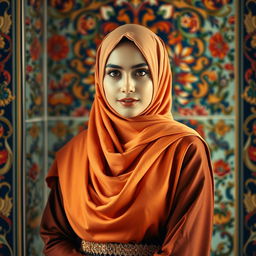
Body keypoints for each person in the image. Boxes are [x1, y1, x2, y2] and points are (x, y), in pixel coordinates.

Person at [40, 24, 214, 256]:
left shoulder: (185, 149)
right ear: (100, 80)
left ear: (160, 76)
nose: (127, 87)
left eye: (141, 72)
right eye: (114, 73)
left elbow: (186, 246)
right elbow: (54, 236)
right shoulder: (74, 153)